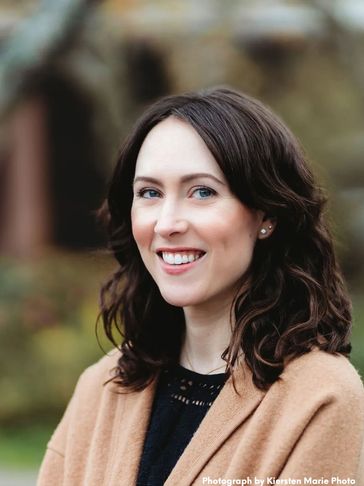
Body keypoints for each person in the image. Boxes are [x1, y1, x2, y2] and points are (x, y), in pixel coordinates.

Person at [37, 87, 364, 486]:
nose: (167, 222)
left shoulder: (321, 398)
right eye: (150, 193)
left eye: (202, 191)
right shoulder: (103, 386)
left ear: (267, 214)